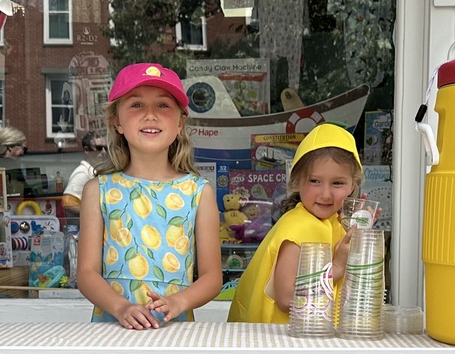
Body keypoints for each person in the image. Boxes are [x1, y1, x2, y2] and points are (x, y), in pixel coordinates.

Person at [76, 63, 221, 328]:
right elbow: (86, 273)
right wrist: (120, 307)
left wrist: (179, 302)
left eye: (163, 105)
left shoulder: (199, 192)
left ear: (180, 123)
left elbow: (212, 277)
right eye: (136, 105)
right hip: (112, 328)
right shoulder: (97, 190)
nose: (150, 115)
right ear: (116, 122)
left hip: (174, 329)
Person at [227, 123, 363, 324]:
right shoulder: (299, 226)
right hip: (280, 346)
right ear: (297, 181)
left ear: (353, 184)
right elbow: (287, 297)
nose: (326, 194)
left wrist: (362, 228)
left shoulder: (329, 221)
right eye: (315, 181)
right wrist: (337, 268)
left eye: (337, 183)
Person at [62, 129, 108, 213]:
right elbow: (68, 203)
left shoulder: (95, 171)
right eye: (99, 148)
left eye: (105, 148)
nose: (104, 152)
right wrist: (91, 217)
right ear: (86, 150)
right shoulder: (82, 173)